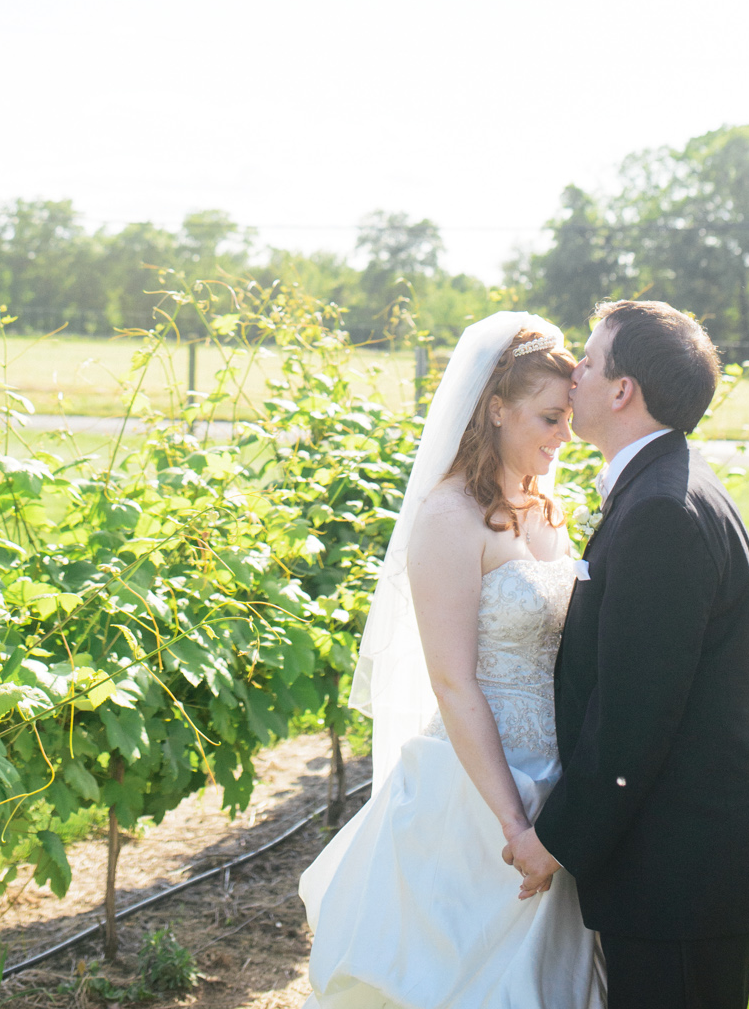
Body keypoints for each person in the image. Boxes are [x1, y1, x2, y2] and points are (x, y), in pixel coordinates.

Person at [300, 313, 605, 1009]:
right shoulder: (447, 517)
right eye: (549, 419)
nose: (565, 436)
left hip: (559, 778)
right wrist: (514, 824)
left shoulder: (549, 504)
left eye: (568, 419)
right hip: (478, 788)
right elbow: (451, 680)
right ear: (494, 409)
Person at [507, 299, 749, 1009]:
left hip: (680, 876)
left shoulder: (662, 509)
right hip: (677, 866)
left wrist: (556, 839)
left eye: (589, 362)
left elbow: (635, 714)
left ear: (622, 390)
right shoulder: (664, 486)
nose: (573, 374)